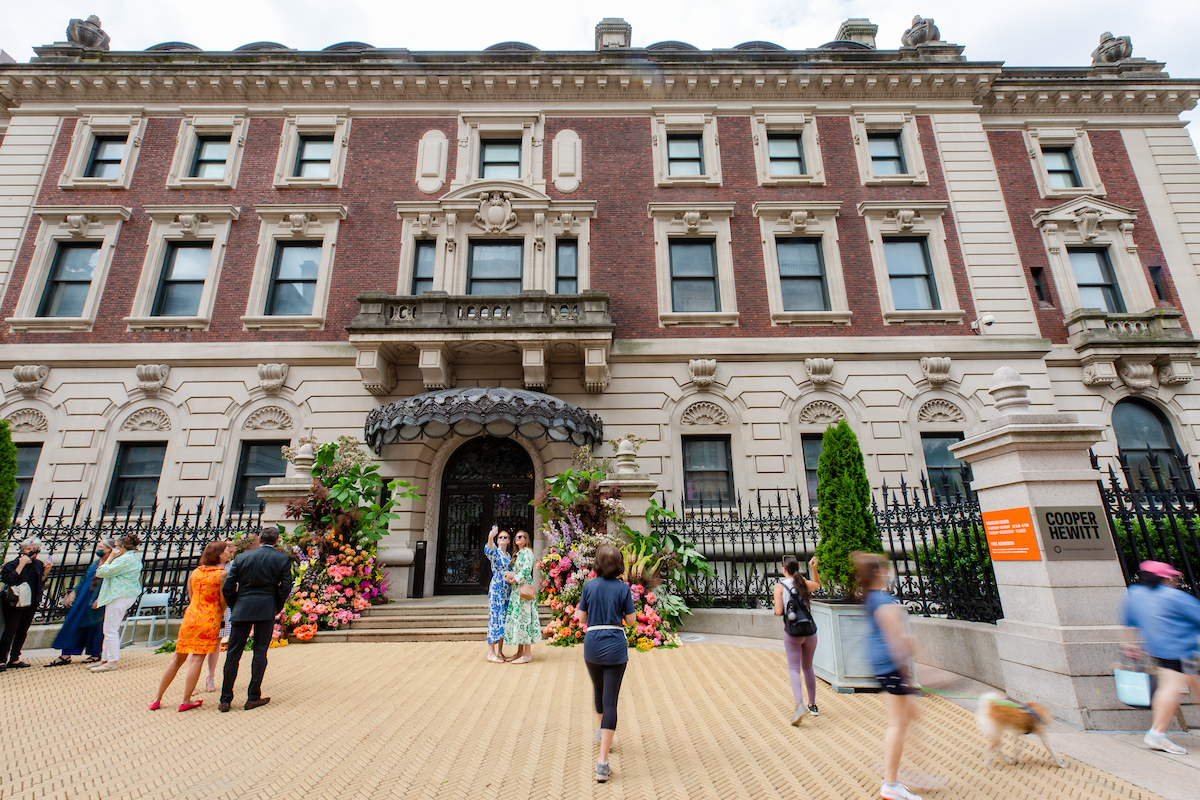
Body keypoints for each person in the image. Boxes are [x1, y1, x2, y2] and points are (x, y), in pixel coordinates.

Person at [858, 552, 922, 800]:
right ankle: (890, 784)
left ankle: (896, 770)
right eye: (885, 568)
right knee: (898, 724)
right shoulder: (883, 600)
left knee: (910, 717)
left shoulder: (872, 598)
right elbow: (897, 638)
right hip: (890, 667)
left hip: (882, 665)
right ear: (877, 573)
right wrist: (907, 671)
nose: (889, 572)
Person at [1121, 560, 1200, 755]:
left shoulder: (1135, 594)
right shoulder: (1175, 597)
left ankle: (1157, 733)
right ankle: (1156, 734)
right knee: (1170, 689)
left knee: (1192, 686)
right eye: (1173, 578)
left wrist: (1130, 644)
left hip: (1158, 651)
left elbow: (1127, 621)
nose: (1175, 581)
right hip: (1182, 650)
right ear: (1165, 579)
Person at [574, 543, 637, 783]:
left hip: (593, 644)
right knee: (611, 701)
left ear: (598, 563)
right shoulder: (622, 589)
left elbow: (581, 618)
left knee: (598, 692)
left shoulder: (589, 586)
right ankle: (602, 762)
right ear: (619, 565)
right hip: (615, 645)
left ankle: (602, 735)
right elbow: (631, 622)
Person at [220, 525, 293, 712]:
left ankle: (225, 699)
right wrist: (276, 605)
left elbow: (228, 585)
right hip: (266, 607)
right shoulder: (282, 559)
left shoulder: (241, 557)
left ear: (259, 540)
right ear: (276, 541)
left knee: (233, 653)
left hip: (242, 606)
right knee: (260, 652)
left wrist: (235, 604)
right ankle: (253, 696)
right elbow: (285, 587)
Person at [150, 540, 229, 712]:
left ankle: (157, 698)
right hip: (208, 618)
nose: (229, 553)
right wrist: (219, 612)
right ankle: (186, 700)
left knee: (177, 659)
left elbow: (191, 595)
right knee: (197, 659)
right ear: (219, 555)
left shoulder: (196, 572)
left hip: (191, 617)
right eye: (226, 551)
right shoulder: (221, 574)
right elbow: (223, 600)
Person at [44, 539, 115, 667]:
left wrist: (100, 598)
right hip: (83, 598)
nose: (99, 549)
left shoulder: (111, 564)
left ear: (109, 549)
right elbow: (83, 581)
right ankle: (66, 654)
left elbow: (111, 584)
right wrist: (73, 593)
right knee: (74, 623)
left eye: (102, 547)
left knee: (95, 626)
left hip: (98, 599)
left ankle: (95, 653)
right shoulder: (95, 563)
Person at [773, 554, 822, 723]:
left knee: (794, 668)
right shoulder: (802, 582)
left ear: (784, 569)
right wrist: (813, 568)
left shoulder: (779, 587)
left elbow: (779, 611)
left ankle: (800, 704)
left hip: (793, 632)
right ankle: (813, 705)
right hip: (809, 630)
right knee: (808, 667)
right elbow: (817, 585)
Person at [90, 533, 143, 673]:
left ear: (121, 547)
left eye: (115, 547)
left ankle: (112, 661)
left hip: (119, 595)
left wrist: (111, 557)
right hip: (124, 595)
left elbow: (101, 572)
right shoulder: (133, 558)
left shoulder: (123, 559)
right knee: (108, 628)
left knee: (110, 630)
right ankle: (106, 659)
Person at [1, 536, 53, 670]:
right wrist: (21, 564)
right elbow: (10, 580)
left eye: (34, 549)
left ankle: (15, 658)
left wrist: (45, 572)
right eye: (28, 549)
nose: (32, 551)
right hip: (14, 603)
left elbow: (40, 582)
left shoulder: (37, 564)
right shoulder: (12, 564)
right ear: (22, 550)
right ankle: (1, 659)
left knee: (22, 631)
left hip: (30, 602)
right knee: (10, 630)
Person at [203, 540, 238, 692]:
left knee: (217, 643)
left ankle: (210, 677)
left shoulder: (232, 566)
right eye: (229, 552)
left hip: (226, 609)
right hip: (208, 608)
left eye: (233, 552)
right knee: (199, 646)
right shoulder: (206, 569)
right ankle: (193, 678)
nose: (231, 555)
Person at [502, 529, 541, 664]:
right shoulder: (518, 553)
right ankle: (520, 652)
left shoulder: (528, 552)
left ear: (526, 539)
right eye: (516, 537)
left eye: (520, 536)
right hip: (516, 589)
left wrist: (515, 578)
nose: (517, 538)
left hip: (523, 589)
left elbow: (526, 569)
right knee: (519, 620)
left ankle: (527, 654)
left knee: (525, 619)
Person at [483, 525, 512, 663]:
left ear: (508, 541)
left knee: (503, 619)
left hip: (507, 589)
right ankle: (490, 652)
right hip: (497, 587)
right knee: (495, 617)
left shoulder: (509, 555)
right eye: (500, 537)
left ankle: (500, 651)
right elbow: (490, 550)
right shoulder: (496, 552)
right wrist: (490, 537)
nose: (502, 539)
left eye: (505, 537)